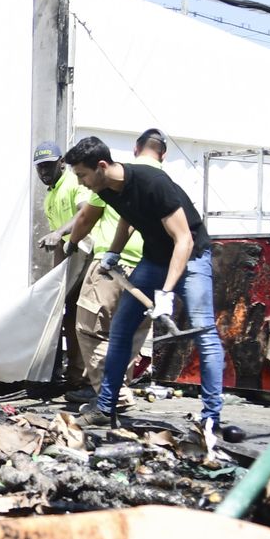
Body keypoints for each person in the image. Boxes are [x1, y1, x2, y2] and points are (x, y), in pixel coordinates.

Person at [62, 136, 227, 437]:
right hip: (153, 258)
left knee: (204, 333)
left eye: (82, 175)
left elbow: (184, 240)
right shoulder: (107, 186)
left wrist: (165, 292)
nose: (81, 183)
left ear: (101, 166)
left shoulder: (153, 183)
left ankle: (211, 418)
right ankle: (105, 408)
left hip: (190, 259)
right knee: (122, 328)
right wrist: (114, 250)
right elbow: (129, 216)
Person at [54, 130, 157, 403]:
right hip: (149, 266)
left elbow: (86, 217)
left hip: (111, 265)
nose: (82, 182)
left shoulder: (106, 183)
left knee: (89, 328)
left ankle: (109, 393)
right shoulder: (153, 178)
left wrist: (72, 243)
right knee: (129, 331)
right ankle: (117, 387)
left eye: (82, 176)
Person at [34, 140, 86, 386]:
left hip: (87, 253)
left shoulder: (74, 182)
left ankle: (81, 375)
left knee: (81, 316)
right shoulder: (50, 197)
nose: (44, 172)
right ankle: (71, 374)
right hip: (69, 257)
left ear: (61, 162)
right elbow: (58, 240)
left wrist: (59, 233)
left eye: (48, 166)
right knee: (65, 314)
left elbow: (85, 213)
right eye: (40, 168)